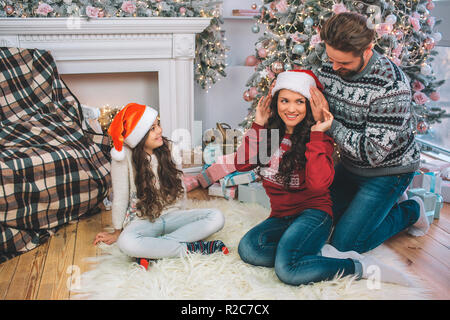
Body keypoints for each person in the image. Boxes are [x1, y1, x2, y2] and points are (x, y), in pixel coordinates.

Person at [235, 70, 411, 286]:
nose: (291, 108)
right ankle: (313, 253)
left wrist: (318, 134)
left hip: (313, 215)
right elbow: (243, 163)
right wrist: (258, 125)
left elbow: (319, 185)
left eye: (299, 101)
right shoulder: (270, 133)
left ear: (309, 105)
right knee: (249, 249)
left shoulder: (318, 137)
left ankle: (358, 266)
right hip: (281, 216)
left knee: (288, 270)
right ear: (275, 101)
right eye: (284, 100)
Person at [308, 12, 428, 261]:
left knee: (344, 245)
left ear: (367, 49)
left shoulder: (391, 86)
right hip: (351, 165)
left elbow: (372, 154)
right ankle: (380, 206)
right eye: (331, 59)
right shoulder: (329, 63)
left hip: (388, 170)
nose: (334, 67)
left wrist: (329, 124)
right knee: (317, 222)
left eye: (344, 63)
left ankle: (411, 210)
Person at [93, 103, 227, 270]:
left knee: (216, 217)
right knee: (126, 242)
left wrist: (183, 215)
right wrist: (117, 231)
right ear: (139, 135)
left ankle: (155, 250)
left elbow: (180, 186)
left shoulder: (169, 148)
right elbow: (120, 196)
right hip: (143, 221)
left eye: (158, 124)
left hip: (172, 216)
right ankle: (191, 248)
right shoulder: (123, 157)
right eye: (152, 128)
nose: (160, 131)